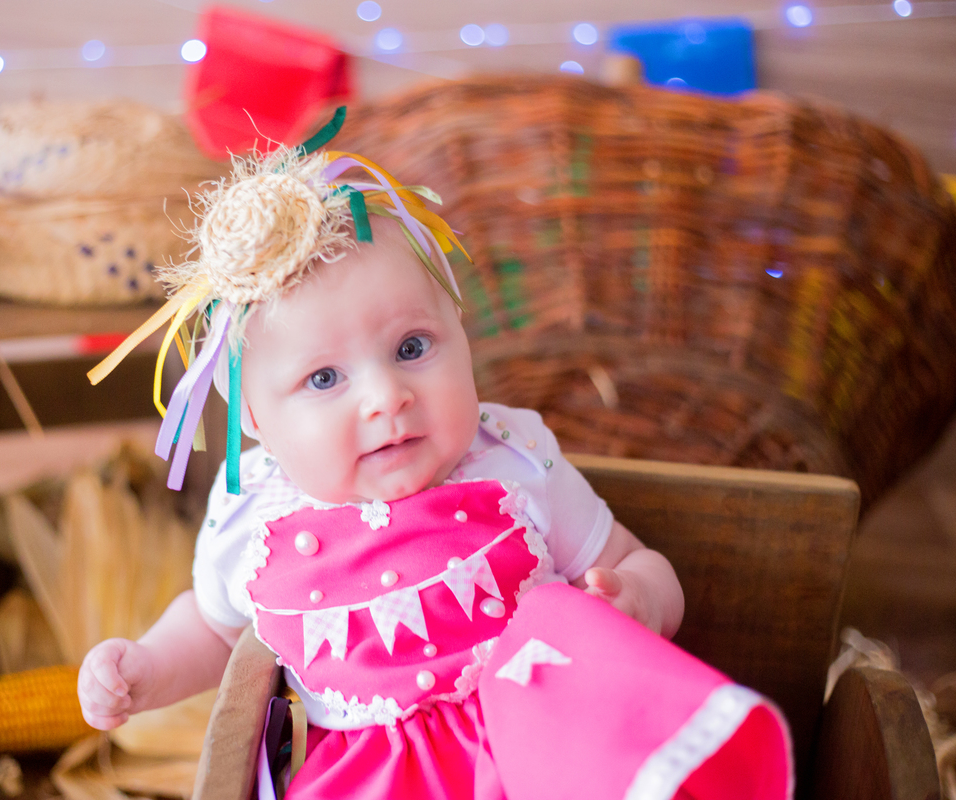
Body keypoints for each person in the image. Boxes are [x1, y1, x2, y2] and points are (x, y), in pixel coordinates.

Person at [79, 110, 792, 799]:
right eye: (324, 379)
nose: (387, 396)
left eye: (412, 347)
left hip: (541, 751)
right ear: (257, 421)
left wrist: (641, 599)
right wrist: (147, 668)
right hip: (368, 780)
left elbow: (636, 560)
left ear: (462, 333)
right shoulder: (254, 514)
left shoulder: (512, 459)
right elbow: (214, 629)